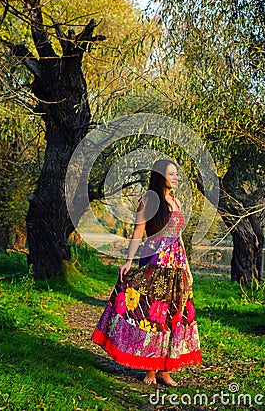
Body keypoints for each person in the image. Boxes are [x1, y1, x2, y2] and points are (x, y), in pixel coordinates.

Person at [91, 159, 202, 386]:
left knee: (173, 315)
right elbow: (138, 231)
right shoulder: (149, 200)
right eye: (171, 174)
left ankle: (165, 369)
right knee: (153, 315)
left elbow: (178, 237)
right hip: (155, 262)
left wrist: (187, 269)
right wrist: (129, 261)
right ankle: (150, 368)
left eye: (177, 174)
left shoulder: (176, 201)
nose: (176, 178)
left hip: (176, 264)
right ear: (160, 176)